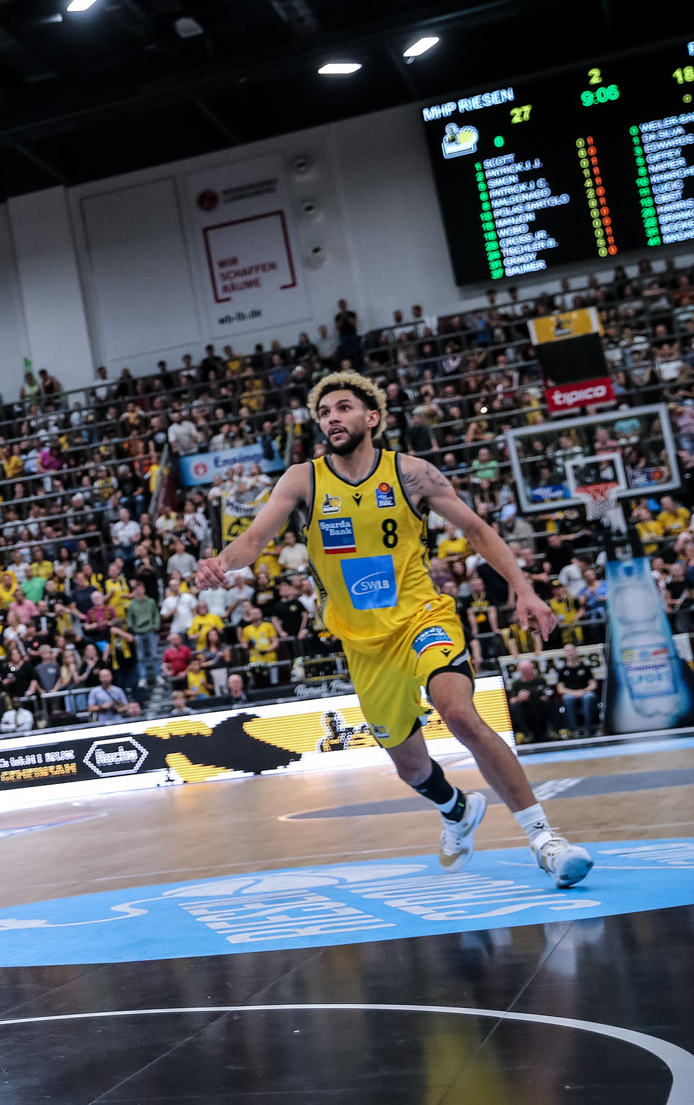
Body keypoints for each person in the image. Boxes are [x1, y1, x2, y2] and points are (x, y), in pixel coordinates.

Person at [194, 371, 593, 887]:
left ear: (372, 418)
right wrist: (221, 563)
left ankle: (546, 841)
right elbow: (252, 541)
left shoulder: (412, 475)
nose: (331, 418)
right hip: (363, 643)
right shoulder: (303, 479)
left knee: (459, 714)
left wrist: (524, 588)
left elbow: (475, 529)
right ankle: (455, 809)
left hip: (421, 617)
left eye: (342, 408)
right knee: (411, 768)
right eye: (324, 413)